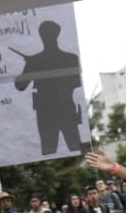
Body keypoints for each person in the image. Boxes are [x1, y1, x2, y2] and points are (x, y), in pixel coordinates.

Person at [13, 20, 84, 154]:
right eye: (44, 34)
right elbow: (20, 86)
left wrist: (35, 66)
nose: (45, 37)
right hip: (55, 111)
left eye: (47, 33)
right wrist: (31, 66)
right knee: (50, 151)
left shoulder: (68, 58)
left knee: (76, 148)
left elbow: (77, 83)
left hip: (58, 110)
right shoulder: (69, 58)